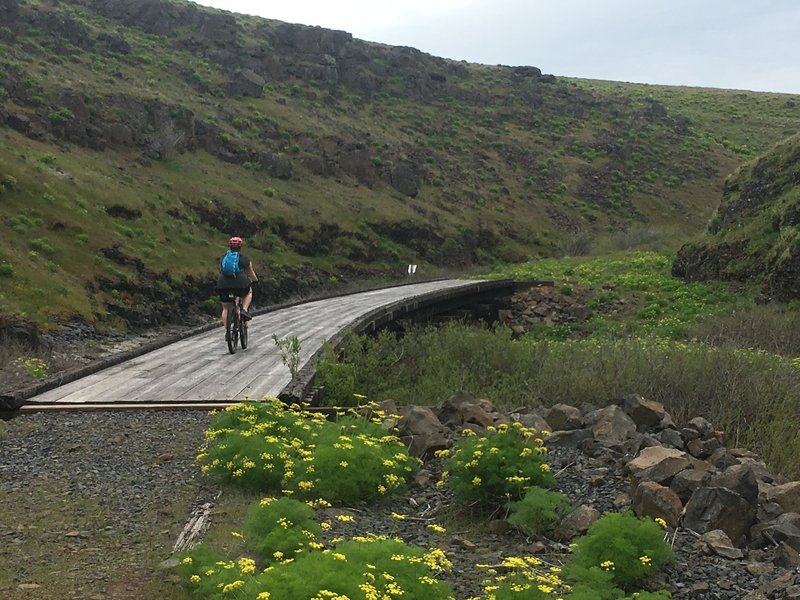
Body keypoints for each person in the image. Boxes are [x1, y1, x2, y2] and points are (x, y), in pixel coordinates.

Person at [216, 236, 258, 327]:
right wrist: (255, 281)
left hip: (223, 285)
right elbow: (251, 273)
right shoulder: (245, 259)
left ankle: (227, 331)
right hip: (240, 284)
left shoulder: (223, 258)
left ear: (229, 246)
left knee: (225, 308)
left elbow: (221, 271)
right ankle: (244, 310)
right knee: (248, 292)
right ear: (240, 247)